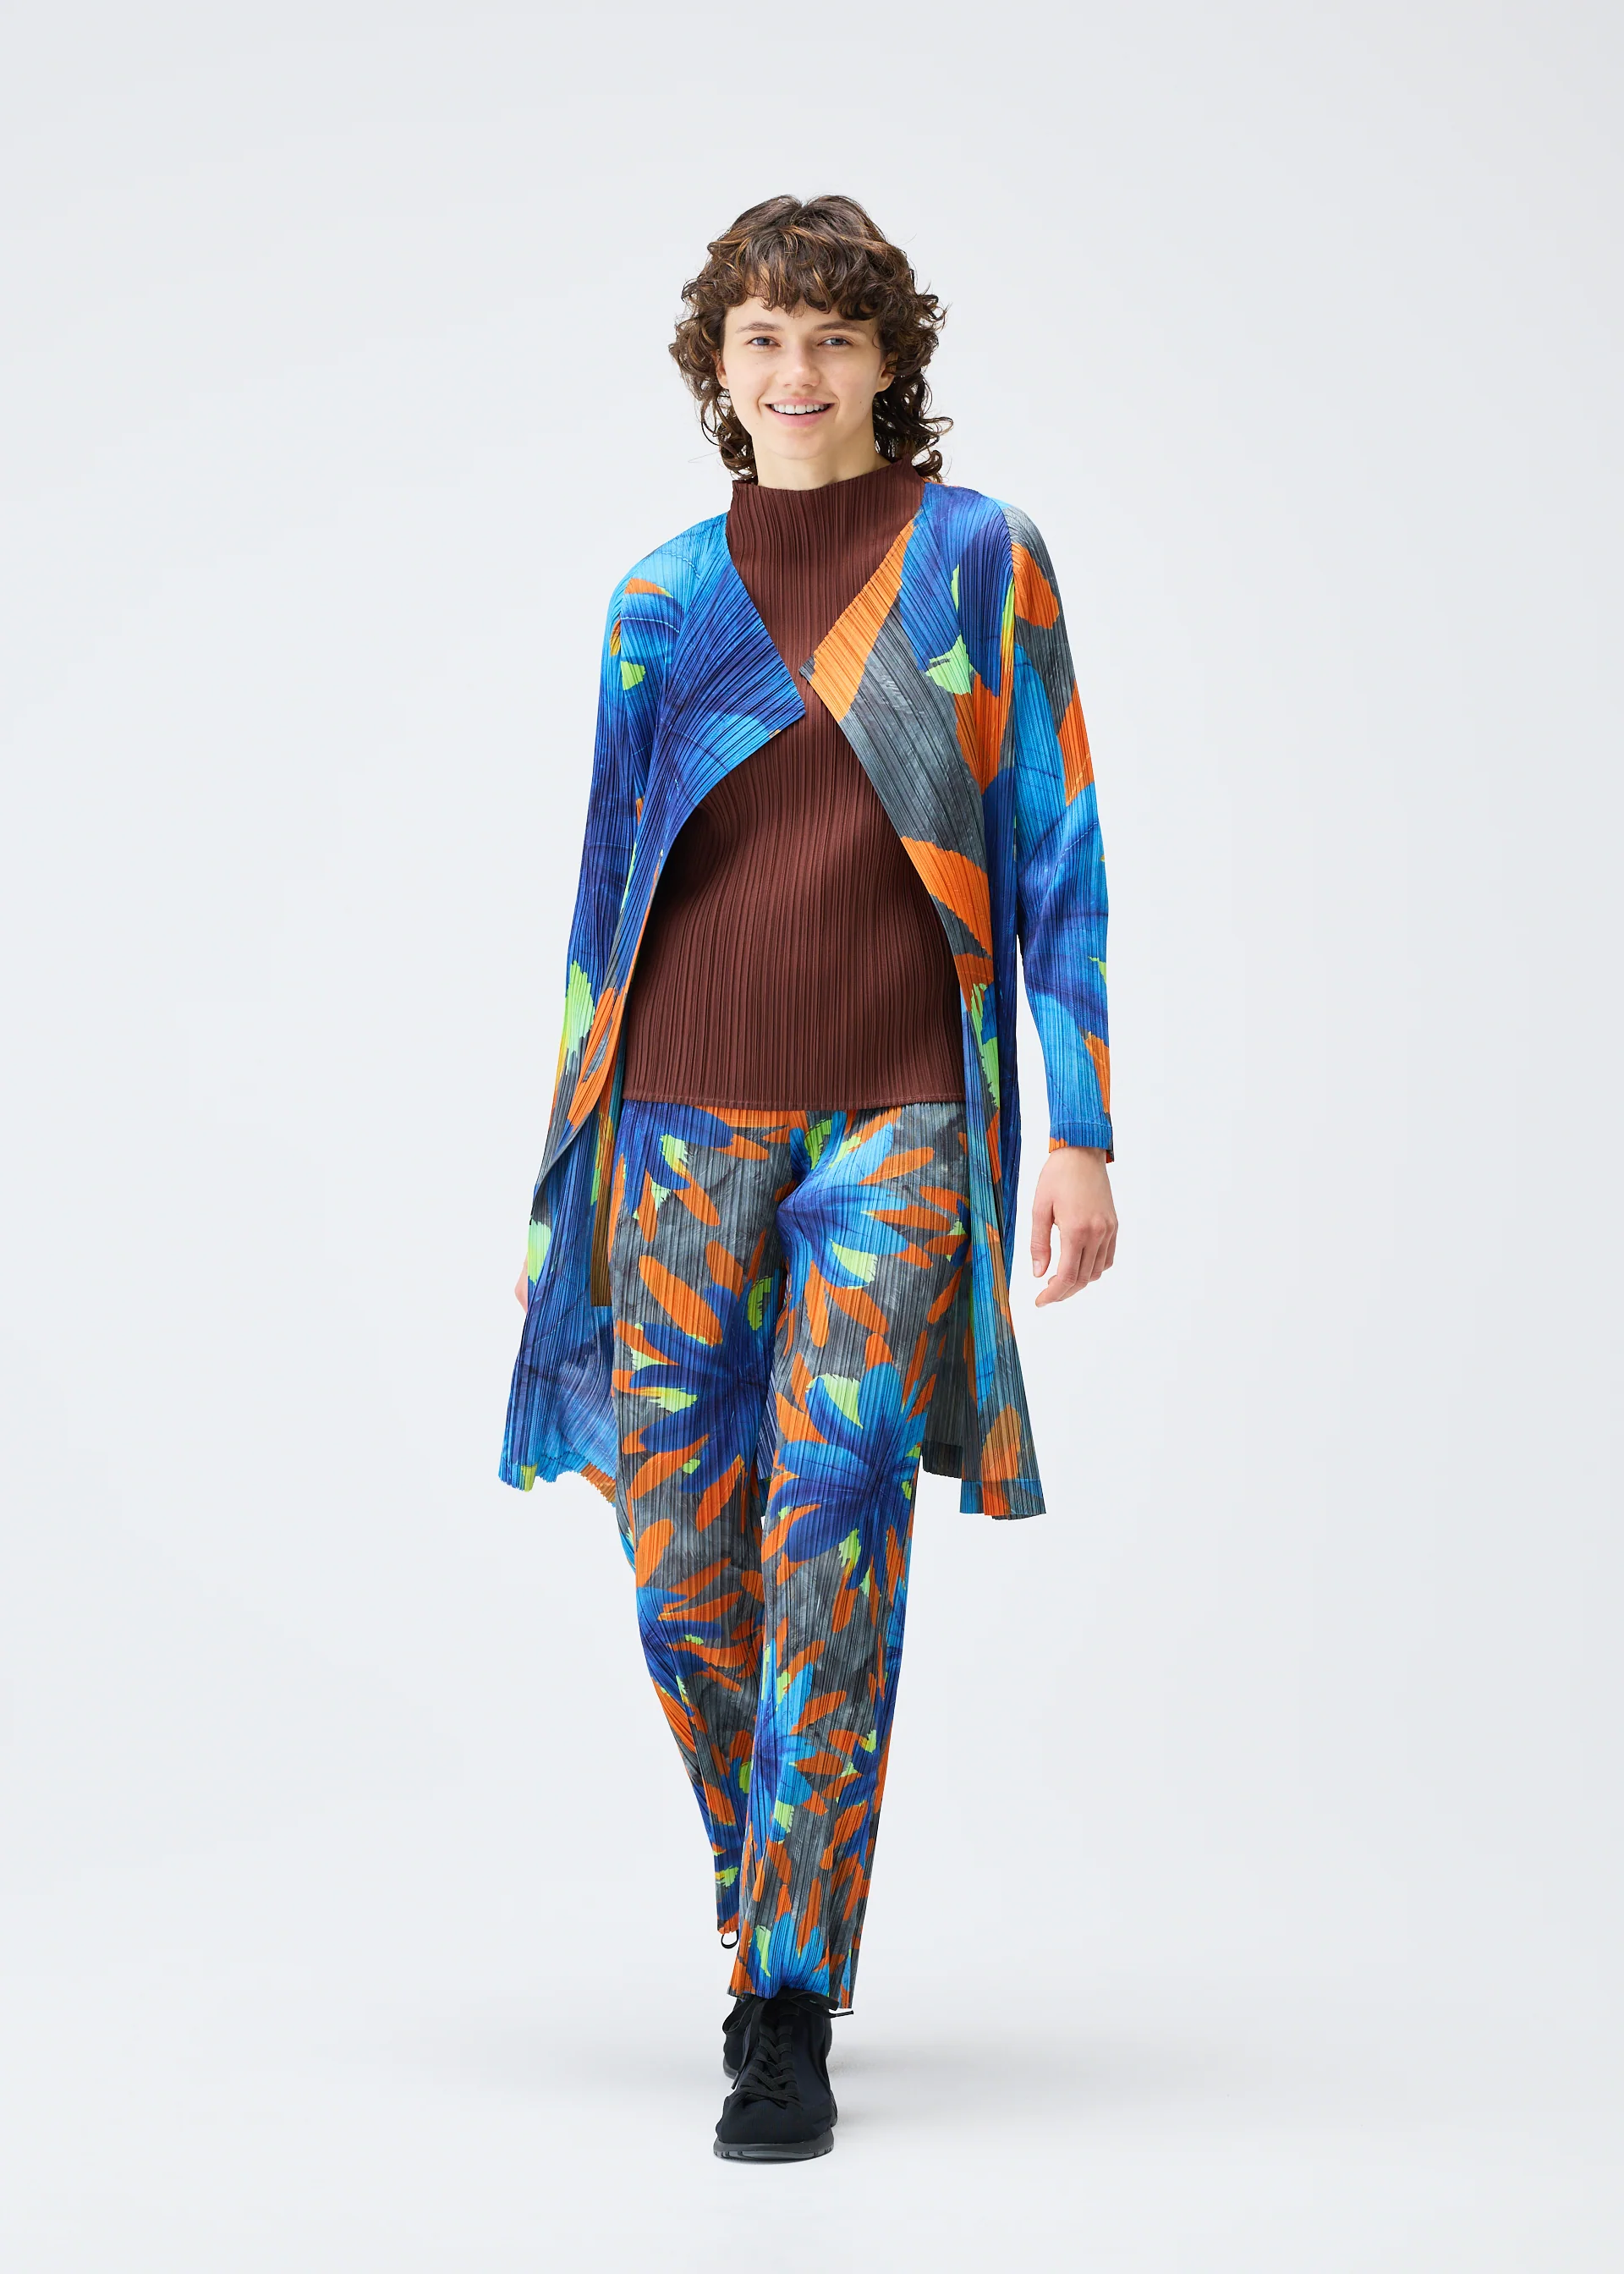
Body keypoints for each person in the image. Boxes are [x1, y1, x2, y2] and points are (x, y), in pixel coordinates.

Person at [502, 194, 1116, 2162]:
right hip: (675, 1127)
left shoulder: (976, 561)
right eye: (763, 338)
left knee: (830, 1532)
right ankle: (777, 1881)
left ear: (886, 366)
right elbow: (605, 908)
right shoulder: (661, 600)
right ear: (719, 367)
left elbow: (1055, 848)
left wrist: (1083, 1122)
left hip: (897, 1129)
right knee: (685, 1565)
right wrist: (565, 1186)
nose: (797, 373)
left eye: (834, 340)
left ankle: (782, 1994)